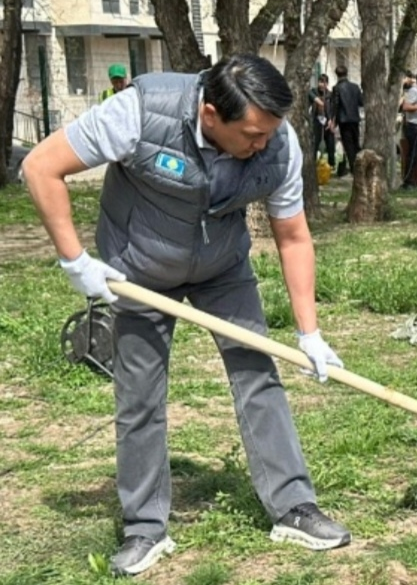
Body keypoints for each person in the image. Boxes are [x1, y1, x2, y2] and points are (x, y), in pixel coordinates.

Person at [22, 54, 352, 577]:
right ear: (208, 115)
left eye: (269, 131)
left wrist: (309, 332)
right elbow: (41, 165)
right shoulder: (141, 111)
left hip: (223, 267)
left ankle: (293, 506)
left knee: (257, 374)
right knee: (140, 397)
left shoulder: (278, 143)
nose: (261, 143)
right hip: (138, 272)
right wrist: (75, 260)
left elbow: (292, 236)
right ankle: (145, 528)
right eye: (250, 133)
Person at [328, 65, 363, 177]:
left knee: (348, 145)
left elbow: (335, 105)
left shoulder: (336, 88)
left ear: (336, 75)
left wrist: (333, 120)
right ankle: (359, 165)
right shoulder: (355, 87)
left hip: (344, 119)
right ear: (347, 73)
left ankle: (354, 168)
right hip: (354, 118)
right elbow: (361, 102)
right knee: (356, 142)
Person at [309, 73, 336, 167]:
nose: (321, 85)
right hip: (317, 121)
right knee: (315, 142)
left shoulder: (330, 95)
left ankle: (331, 164)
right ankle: (312, 164)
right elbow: (310, 95)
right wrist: (317, 100)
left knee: (330, 142)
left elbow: (333, 109)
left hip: (328, 122)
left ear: (327, 84)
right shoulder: (313, 91)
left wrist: (331, 121)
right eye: (320, 82)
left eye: (324, 82)